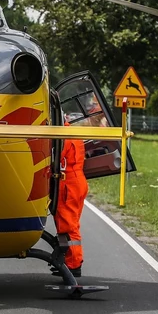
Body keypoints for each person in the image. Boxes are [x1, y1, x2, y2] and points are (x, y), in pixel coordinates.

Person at [53, 118, 87, 278]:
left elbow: (56, 159)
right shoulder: (73, 132)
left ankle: (73, 265)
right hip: (77, 180)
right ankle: (69, 261)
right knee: (71, 223)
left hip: (68, 184)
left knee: (68, 226)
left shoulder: (63, 135)